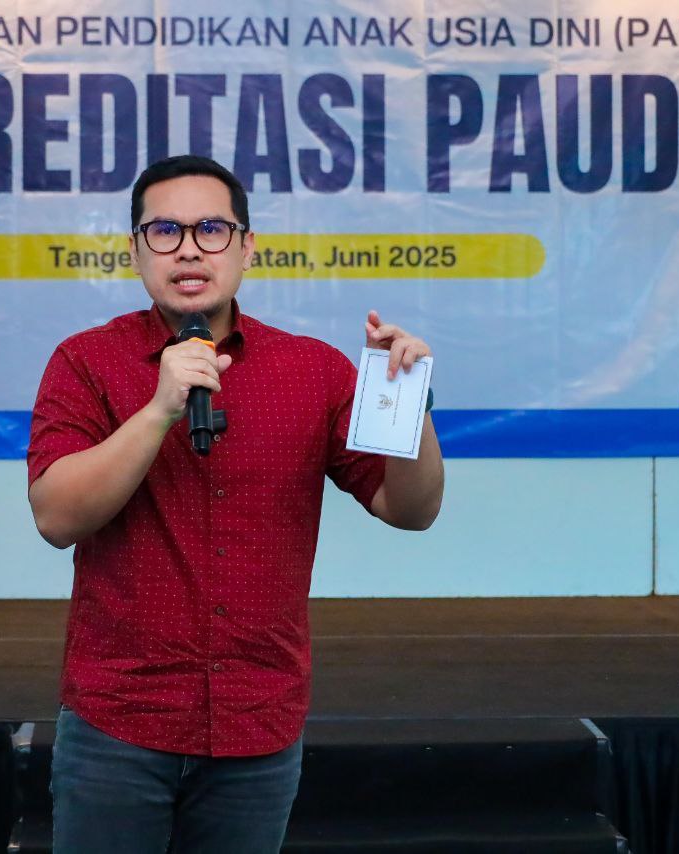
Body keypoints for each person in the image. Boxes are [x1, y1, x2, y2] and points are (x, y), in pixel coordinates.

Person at [25, 155, 444, 852]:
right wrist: (159, 409)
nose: (189, 249)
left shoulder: (313, 370)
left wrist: (409, 402)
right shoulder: (85, 362)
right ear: (135, 250)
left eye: (212, 229)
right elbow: (56, 517)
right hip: (119, 722)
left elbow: (411, 509)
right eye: (165, 231)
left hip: (258, 722)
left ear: (247, 247)